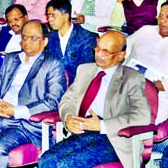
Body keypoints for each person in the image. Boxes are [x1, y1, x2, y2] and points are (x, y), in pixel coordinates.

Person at [38, 31, 151, 168]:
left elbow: (142, 116)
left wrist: (102, 125)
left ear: (121, 55)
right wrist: (68, 117)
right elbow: (68, 100)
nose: (99, 54)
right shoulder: (85, 70)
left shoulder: (132, 78)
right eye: (97, 48)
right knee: (46, 160)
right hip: (83, 131)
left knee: (66, 164)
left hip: (113, 139)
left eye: (106, 51)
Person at [0, 20, 65, 168]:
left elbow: (53, 101)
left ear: (45, 41)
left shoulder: (53, 64)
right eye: (24, 37)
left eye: (33, 38)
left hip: (26, 123)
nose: (27, 42)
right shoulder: (11, 59)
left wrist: (16, 111)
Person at [124, 3, 168, 125]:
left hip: (157, 94)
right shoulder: (146, 30)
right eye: (160, 16)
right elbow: (124, 49)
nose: (162, 20)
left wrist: (163, 85)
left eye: (167, 17)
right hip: (125, 84)